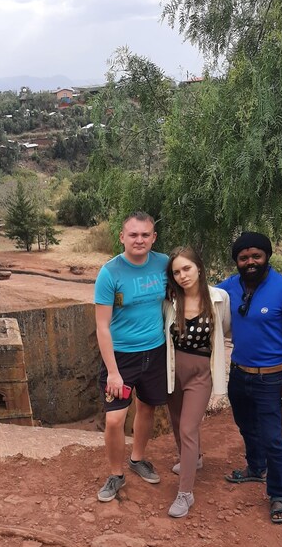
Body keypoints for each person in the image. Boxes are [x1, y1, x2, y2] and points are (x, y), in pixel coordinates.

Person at [218, 232, 282, 524]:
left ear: (267, 256)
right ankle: (256, 469)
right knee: (245, 425)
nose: (250, 262)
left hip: (271, 379)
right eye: (244, 258)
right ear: (237, 261)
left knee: (272, 438)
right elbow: (198, 294)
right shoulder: (229, 287)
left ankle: (278, 495)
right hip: (238, 373)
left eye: (256, 255)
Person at [94, 211, 169, 502]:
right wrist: (112, 371)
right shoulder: (110, 273)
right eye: (133, 234)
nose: (139, 240)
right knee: (114, 419)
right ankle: (116, 474)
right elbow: (102, 326)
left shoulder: (163, 264)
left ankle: (137, 459)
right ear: (122, 237)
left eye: (145, 235)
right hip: (121, 357)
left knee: (147, 408)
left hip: (155, 351)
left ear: (154, 237)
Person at [163, 246, 230, 517]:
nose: (182, 276)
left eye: (186, 268)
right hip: (171, 369)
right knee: (176, 421)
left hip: (201, 373)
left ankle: (185, 493)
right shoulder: (170, 299)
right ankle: (196, 460)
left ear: (199, 267)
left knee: (189, 428)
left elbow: (224, 329)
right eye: (176, 272)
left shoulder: (219, 298)